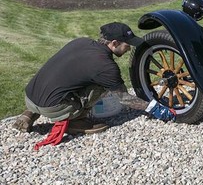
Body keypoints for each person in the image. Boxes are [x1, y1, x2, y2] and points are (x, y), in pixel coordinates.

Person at [13, 22, 149, 134]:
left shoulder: (81, 42)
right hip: (52, 107)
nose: (129, 49)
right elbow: (124, 98)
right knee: (103, 86)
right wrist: (151, 108)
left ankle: (29, 114)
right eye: (127, 45)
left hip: (30, 96)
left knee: (64, 78)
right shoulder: (106, 66)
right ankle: (75, 122)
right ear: (114, 43)